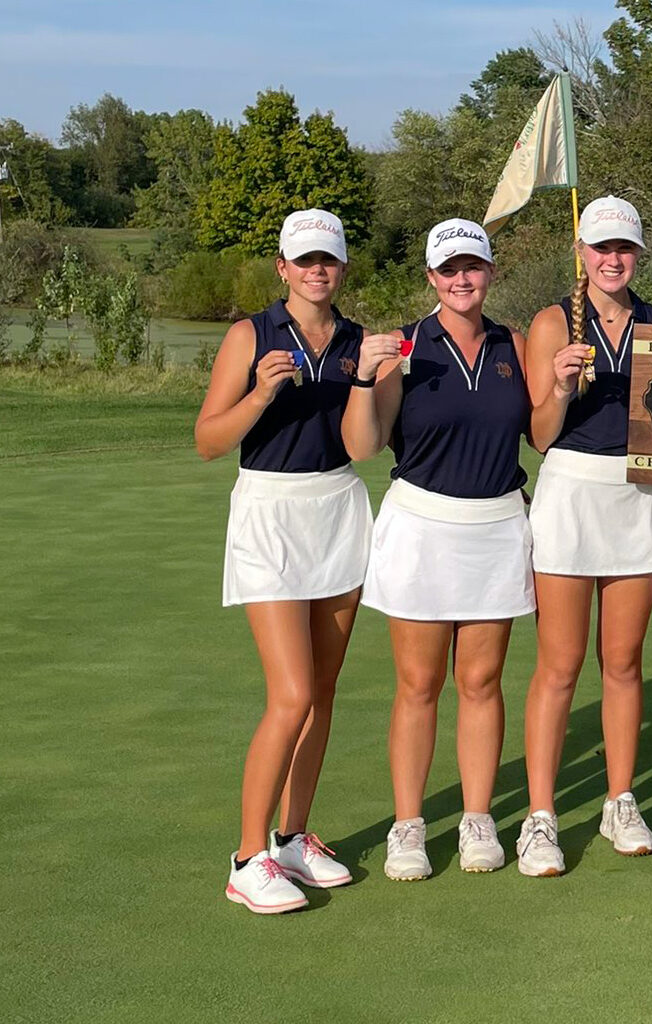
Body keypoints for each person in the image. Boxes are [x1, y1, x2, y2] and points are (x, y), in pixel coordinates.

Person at [342, 218, 535, 882]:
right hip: (423, 525)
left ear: (490, 272)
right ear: (431, 277)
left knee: (481, 682)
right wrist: (364, 381)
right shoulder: (402, 347)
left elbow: (544, 429)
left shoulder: (516, 343)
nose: (462, 279)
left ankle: (478, 818)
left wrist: (566, 384)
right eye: (448, 269)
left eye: (473, 267)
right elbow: (363, 446)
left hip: (497, 523)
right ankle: (409, 825)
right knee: (420, 684)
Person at [195, 208, 374, 914]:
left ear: (342, 266)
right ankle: (247, 858)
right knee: (292, 693)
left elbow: (366, 444)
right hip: (269, 512)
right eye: (304, 260)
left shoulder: (358, 341)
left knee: (323, 692)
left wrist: (370, 380)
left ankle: (293, 836)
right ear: (282, 268)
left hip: (338, 508)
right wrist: (262, 392)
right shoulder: (251, 334)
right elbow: (209, 440)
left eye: (327, 259)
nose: (317, 270)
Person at [517, 197, 652, 876]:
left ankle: (619, 798)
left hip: (639, 494)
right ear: (580, 252)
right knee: (558, 666)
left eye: (624, 249)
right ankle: (541, 817)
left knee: (625, 662)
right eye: (601, 248)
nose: (613, 259)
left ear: (638, 255)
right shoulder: (552, 321)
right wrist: (558, 387)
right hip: (571, 490)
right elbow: (541, 435)